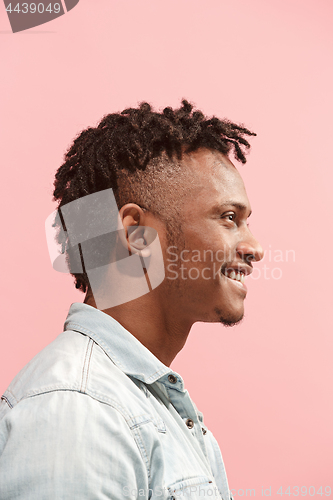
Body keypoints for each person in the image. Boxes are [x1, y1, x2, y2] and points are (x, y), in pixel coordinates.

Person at [0, 100, 264, 499]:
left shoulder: (150, 405)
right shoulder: (81, 410)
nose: (254, 247)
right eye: (229, 218)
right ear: (137, 235)